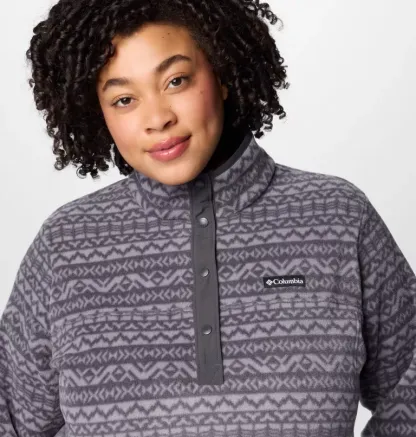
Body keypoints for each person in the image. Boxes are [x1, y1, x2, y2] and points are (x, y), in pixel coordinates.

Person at [0, 0, 415, 436]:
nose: (157, 119)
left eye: (176, 80)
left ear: (222, 73)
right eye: (124, 99)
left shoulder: (337, 218)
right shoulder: (66, 245)